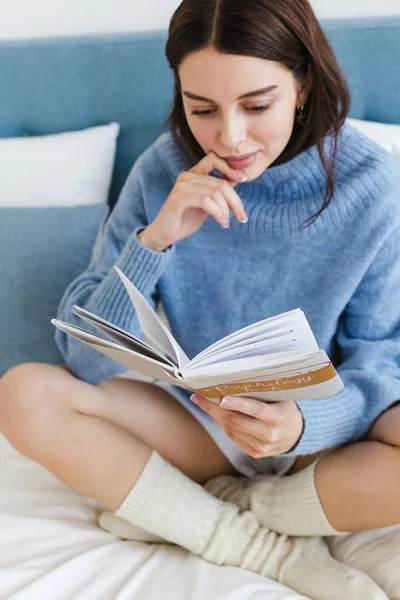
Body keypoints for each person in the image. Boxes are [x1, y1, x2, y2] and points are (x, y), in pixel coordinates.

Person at [0, 0, 399, 598]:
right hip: (200, 427)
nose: (229, 137)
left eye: (257, 105)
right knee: (24, 393)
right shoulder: (163, 169)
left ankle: (243, 507)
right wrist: (155, 239)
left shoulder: (372, 186)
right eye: (202, 109)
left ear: (303, 84)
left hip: (323, 442)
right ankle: (253, 545)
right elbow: (86, 362)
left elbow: (381, 359)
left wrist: (299, 426)